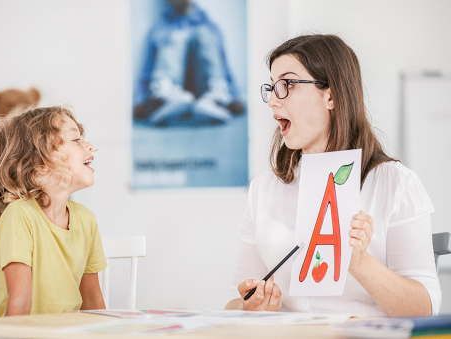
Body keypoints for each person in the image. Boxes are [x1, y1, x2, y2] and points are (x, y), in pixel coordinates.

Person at [225, 34, 441, 317]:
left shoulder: (395, 184)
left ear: (331, 96)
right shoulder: (264, 190)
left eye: (287, 85)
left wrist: (361, 263)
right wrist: (249, 304)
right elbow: (233, 303)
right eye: (272, 87)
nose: (272, 102)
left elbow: (425, 310)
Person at [0, 106, 107, 317]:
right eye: (75, 140)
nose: (89, 146)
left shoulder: (86, 219)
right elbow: (20, 303)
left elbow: (92, 300)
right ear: (40, 165)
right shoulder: (20, 215)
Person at [133, 0, 244, 127]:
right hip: (171, 95)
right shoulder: (159, 29)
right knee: (174, 37)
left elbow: (223, 66)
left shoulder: (210, 26)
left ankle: (215, 100)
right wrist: (139, 100)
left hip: (203, 92)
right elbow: (148, 69)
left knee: (203, 35)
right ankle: (164, 101)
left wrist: (235, 95)